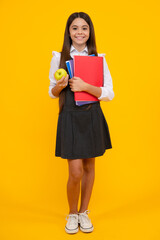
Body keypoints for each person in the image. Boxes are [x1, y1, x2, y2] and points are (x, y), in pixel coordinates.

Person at [48, 12, 114, 234]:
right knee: (75, 171)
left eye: (84, 28)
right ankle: (72, 213)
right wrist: (61, 85)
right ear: (69, 31)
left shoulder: (99, 58)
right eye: (75, 28)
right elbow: (52, 92)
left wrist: (85, 87)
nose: (79, 32)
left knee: (89, 167)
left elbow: (109, 93)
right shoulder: (58, 57)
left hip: (91, 114)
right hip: (70, 115)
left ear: (90, 32)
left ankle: (84, 213)